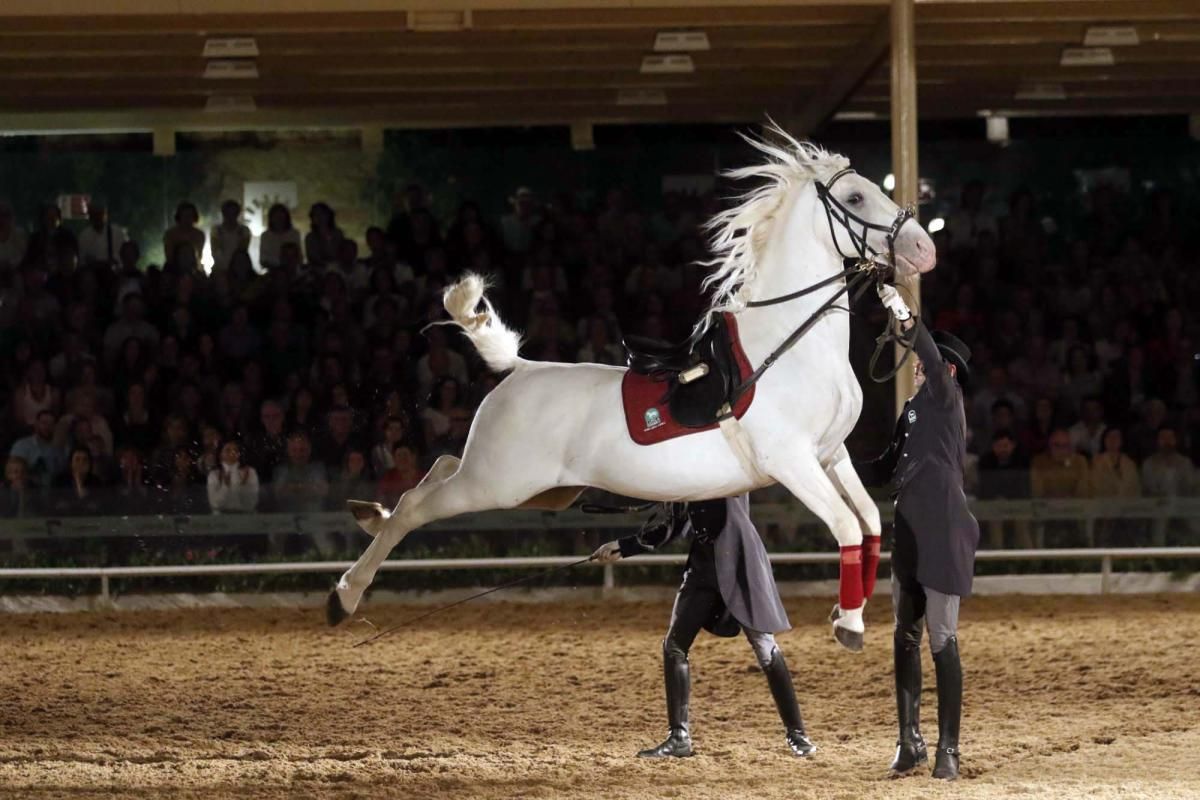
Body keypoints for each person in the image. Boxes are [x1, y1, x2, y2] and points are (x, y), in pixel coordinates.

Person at [592, 497, 817, 760]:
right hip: (703, 564)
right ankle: (679, 737)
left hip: (739, 559)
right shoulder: (685, 476)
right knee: (674, 645)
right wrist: (623, 546)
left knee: (765, 646)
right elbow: (673, 527)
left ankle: (797, 734)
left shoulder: (725, 464)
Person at [865, 285, 980, 781]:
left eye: (923, 365)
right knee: (904, 637)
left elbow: (928, 355)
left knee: (941, 638)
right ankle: (909, 741)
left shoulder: (944, 394)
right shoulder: (913, 413)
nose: (915, 369)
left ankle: (948, 750)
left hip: (942, 530)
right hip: (907, 532)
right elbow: (882, 467)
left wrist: (904, 315)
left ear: (945, 371)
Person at [207, 440, 259, 514]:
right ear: (220, 454)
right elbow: (215, 504)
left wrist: (243, 483)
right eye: (228, 450)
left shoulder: (249, 472)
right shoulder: (214, 474)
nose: (232, 453)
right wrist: (225, 486)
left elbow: (251, 504)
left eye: (236, 450)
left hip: (245, 518)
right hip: (221, 520)